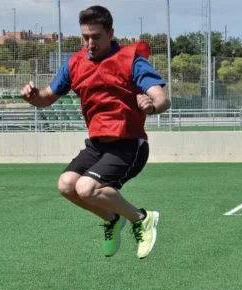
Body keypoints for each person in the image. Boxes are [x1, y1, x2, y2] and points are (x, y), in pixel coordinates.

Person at [21, 5, 171, 259]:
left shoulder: (131, 61)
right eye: (85, 37)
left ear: (110, 33)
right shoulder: (75, 63)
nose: (90, 43)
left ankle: (142, 218)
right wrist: (33, 97)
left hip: (128, 144)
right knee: (67, 185)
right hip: (98, 145)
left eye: (96, 37)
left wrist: (152, 105)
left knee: (86, 188)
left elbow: (162, 99)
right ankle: (112, 218)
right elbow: (46, 97)